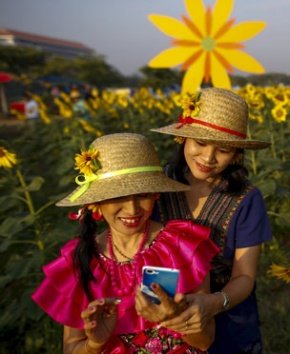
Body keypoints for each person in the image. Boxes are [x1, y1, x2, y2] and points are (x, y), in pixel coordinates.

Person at [31, 133, 219, 353]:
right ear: (96, 202)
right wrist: (94, 343)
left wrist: (175, 318)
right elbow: (71, 348)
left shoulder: (181, 246)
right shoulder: (82, 259)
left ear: (156, 194)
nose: (132, 210)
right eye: (118, 197)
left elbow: (206, 341)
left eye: (143, 195)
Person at [151, 88, 273, 354]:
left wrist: (211, 303)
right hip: (162, 318)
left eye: (224, 149)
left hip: (228, 317)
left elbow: (244, 275)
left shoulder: (247, 199)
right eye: (200, 143)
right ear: (183, 138)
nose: (208, 158)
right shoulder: (156, 187)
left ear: (237, 154)